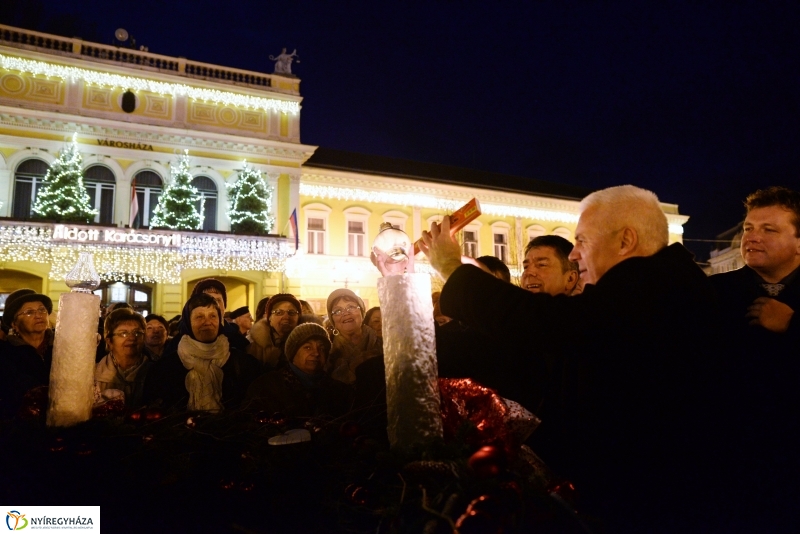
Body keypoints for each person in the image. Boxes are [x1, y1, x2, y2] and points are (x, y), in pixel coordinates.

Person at [420, 184, 726, 530]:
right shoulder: (661, 282)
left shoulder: (652, 291)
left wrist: (451, 268)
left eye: (582, 241)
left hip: (654, 496)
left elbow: (544, 324)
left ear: (625, 241)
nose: (576, 255)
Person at [708, 186, 800, 527]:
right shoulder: (714, 293)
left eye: (769, 229)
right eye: (748, 228)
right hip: (733, 462)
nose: (752, 237)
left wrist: (793, 325)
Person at [143, 294, 260, 412]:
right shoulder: (165, 368)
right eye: (199, 317)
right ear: (188, 322)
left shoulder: (244, 363)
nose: (207, 322)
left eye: (213, 316)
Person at [247, 323, 352, 418]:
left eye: (322, 348)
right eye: (307, 347)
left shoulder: (339, 391)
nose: (316, 353)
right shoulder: (266, 387)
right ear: (293, 353)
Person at [95, 308, 151, 408]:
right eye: (123, 333)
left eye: (137, 333)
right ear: (109, 340)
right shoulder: (93, 374)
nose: (132, 338)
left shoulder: (157, 372)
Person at [326, 289, 382, 385]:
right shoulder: (326, 349)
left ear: (362, 312)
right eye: (338, 311)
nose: (346, 313)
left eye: (351, 307)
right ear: (333, 320)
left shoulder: (383, 344)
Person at [2, 289, 54, 372]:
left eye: (42, 310)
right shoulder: (6, 353)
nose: (38, 315)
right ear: (14, 324)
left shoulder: (61, 345)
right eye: (29, 312)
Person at [247, 294, 301, 370]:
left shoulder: (306, 342)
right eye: (279, 312)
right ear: (269, 318)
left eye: (292, 312)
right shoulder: (256, 346)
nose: (286, 317)